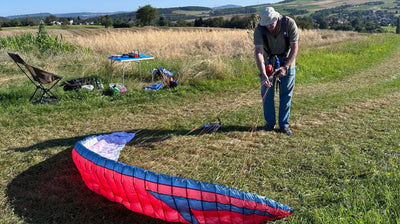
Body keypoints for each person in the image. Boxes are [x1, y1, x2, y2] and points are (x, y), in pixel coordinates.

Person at [254, 7, 299, 136]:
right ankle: (269, 124)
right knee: (266, 94)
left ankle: (284, 125)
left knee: (286, 94)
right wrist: (263, 73)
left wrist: (285, 66)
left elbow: (294, 47)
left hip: (287, 61)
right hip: (268, 62)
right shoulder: (259, 30)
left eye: (271, 23)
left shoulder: (289, 24)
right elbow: (259, 52)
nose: (269, 26)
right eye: (266, 24)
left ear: (277, 18)